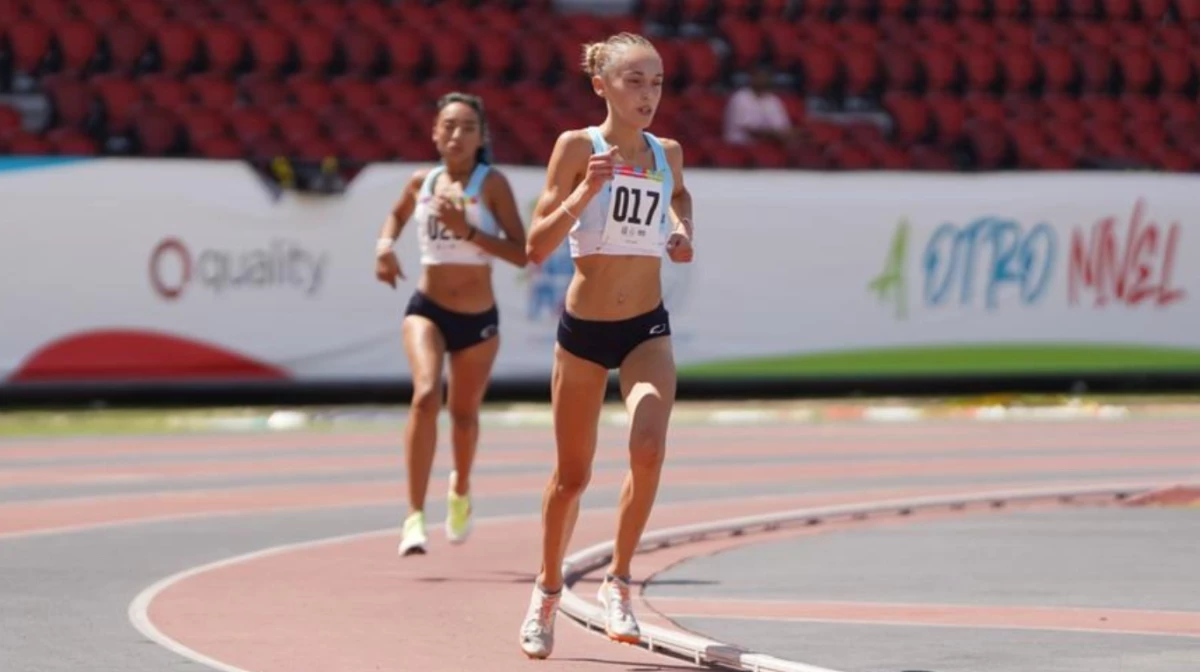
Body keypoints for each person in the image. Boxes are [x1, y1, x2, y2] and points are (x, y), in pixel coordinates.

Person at [516, 32, 695, 659]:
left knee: (648, 448)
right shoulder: (576, 148)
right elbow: (533, 247)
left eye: (658, 82)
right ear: (602, 86)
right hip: (584, 335)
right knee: (572, 477)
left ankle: (619, 582)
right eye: (635, 81)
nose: (649, 94)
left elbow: (679, 200)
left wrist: (681, 230)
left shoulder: (667, 152)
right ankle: (546, 591)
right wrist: (581, 194)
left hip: (646, 326)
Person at [374, 92, 528, 557]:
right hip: (428, 307)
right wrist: (384, 246)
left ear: (481, 138)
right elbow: (398, 213)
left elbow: (522, 252)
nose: (456, 135)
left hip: (479, 320)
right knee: (425, 395)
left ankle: (459, 489)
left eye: (467, 127)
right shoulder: (423, 180)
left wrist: (468, 231)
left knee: (463, 416)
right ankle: (413, 516)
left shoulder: (492, 184)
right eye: (448, 126)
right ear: (434, 133)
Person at [723, 64, 797, 146]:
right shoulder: (740, 97)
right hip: (739, 145)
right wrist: (776, 134)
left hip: (765, 145)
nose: (763, 80)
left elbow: (782, 126)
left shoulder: (773, 100)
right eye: (759, 76)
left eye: (766, 77)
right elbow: (750, 130)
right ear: (752, 78)